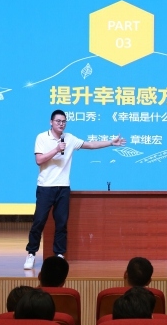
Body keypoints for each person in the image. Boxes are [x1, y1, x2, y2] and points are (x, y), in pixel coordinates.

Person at [24, 109, 126, 269]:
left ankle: (59, 254)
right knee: (39, 221)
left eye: (64, 121)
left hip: (63, 187)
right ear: (51, 122)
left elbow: (90, 145)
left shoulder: (69, 138)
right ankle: (31, 253)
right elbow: (39, 160)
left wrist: (111, 143)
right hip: (45, 187)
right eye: (58, 121)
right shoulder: (42, 137)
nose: (61, 124)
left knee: (61, 223)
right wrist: (56, 149)